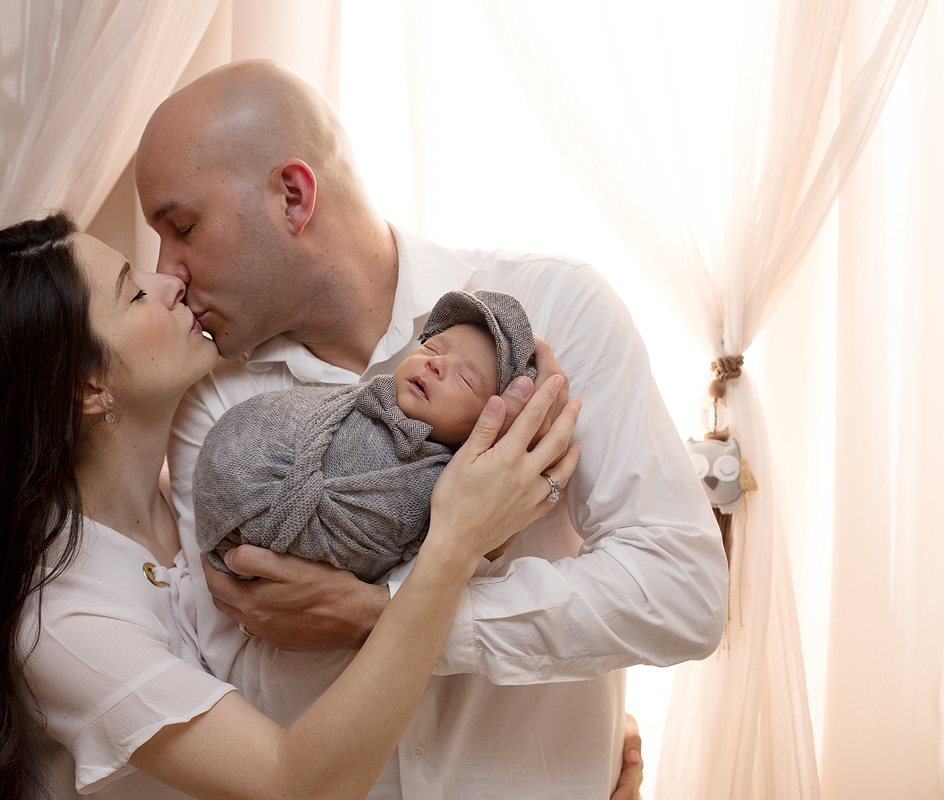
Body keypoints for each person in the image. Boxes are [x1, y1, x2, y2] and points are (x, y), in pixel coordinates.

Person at [139, 60, 729, 799]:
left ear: (293, 196)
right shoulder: (213, 410)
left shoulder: (558, 309)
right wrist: (455, 552)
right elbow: (248, 675)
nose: (168, 272)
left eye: (183, 227)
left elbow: (683, 595)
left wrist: (375, 613)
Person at [0, 213, 581, 800]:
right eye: (133, 294)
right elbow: (300, 782)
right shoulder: (64, 619)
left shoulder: (223, 501)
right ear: (87, 389)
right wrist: (454, 547)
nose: (170, 282)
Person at [196, 289, 539, 583]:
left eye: (465, 379)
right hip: (238, 489)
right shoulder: (358, 399)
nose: (436, 364)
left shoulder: (447, 487)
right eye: (433, 349)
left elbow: (422, 570)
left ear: (488, 426)